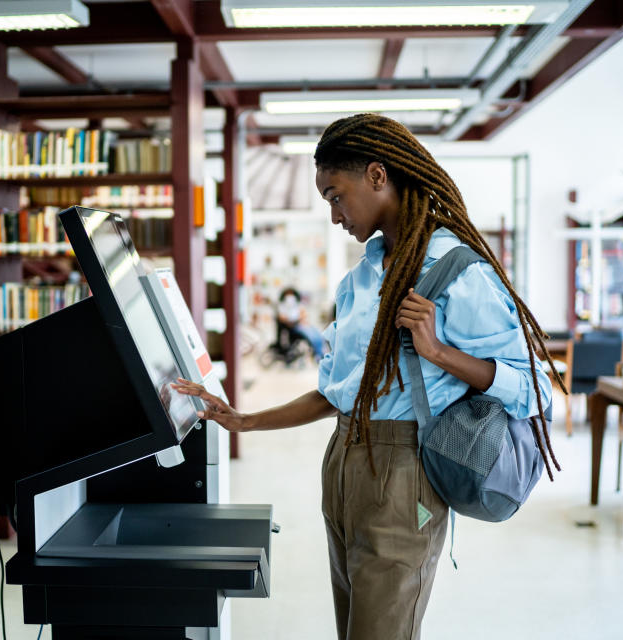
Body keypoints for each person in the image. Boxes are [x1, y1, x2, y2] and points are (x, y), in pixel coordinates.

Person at [172, 114, 562, 640]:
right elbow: (338, 395)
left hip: (405, 476)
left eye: (336, 196)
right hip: (344, 465)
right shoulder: (361, 279)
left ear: (377, 176)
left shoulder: (454, 269)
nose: (334, 215)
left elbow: (531, 381)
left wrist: (439, 352)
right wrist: (245, 421)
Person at [275, 286, 327, 362]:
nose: (290, 296)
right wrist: (293, 320)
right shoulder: (282, 306)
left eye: (291, 294)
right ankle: (318, 355)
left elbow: (303, 314)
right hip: (294, 328)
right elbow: (282, 318)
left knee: (318, 334)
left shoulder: (297, 305)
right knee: (311, 336)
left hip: (302, 325)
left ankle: (321, 353)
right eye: (288, 294)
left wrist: (300, 319)